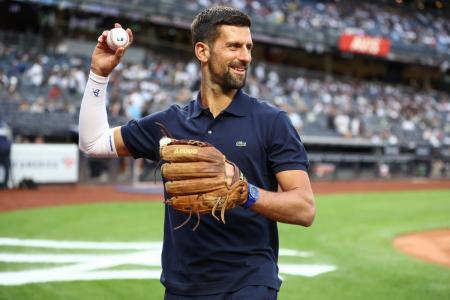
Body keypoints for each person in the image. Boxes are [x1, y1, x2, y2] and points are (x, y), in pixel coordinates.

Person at [79, 6, 316, 299]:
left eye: (248, 47)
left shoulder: (271, 121)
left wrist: (245, 191)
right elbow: (92, 143)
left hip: (250, 282)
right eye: (233, 46)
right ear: (202, 52)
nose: (245, 56)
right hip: (183, 286)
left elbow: (305, 208)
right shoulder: (169, 122)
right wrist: (99, 75)